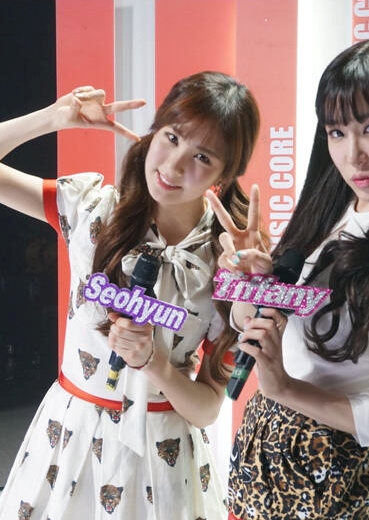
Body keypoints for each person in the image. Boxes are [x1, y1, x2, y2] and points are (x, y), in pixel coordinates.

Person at [0, 71, 260, 519]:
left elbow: (206, 409)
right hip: (67, 440)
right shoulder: (92, 208)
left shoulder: (230, 261)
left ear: (227, 172)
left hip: (162, 459)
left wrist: (155, 363)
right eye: (171, 136)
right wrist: (53, 118)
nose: (173, 165)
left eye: (202, 156)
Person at [208, 36, 369, 520]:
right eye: (337, 132)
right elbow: (257, 324)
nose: (353, 154)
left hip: (329, 475)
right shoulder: (327, 216)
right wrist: (250, 283)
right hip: (264, 453)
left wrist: (285, 388)